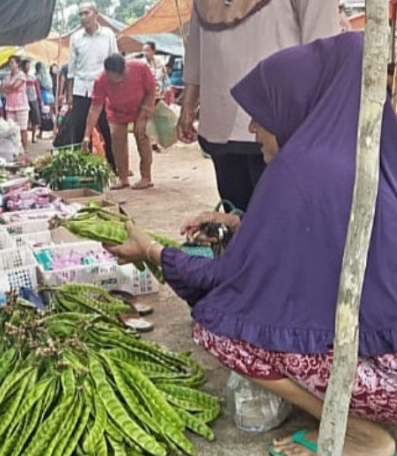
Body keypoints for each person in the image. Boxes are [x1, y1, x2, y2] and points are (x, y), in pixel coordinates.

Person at [107, 33, 397, 456]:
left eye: (262, 114)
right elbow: (330, 244)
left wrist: (152, 250)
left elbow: (228, 277)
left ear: (295, 106)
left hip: (383, 379)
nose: (254, 127)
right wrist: (240, 224)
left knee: (218, 326)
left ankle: (356, 433)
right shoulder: (367, 151)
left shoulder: (300, 170)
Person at [177, 0, 339, 213]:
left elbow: (323, 43)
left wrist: (316, 125)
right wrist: (188, 101)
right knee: (235, 221)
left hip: (279, 128)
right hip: (219, 120)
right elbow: (196, 39)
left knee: (279, 225)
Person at [82, 54, 155, 190]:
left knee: (142, 136)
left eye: (121, 77)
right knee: (117, 139)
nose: (118, 81)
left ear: (125, 68)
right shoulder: (101, 80)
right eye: (114, 78)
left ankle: (146, 177)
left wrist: (143, 116)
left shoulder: (140, 68)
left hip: (140, 108)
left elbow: (151, 92)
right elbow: (95, 108)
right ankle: (123, 178)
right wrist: (87, 135)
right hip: (116, 112)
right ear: (107, 73)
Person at [67, 2, 117, 170]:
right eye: (80, 14)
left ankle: (114, 166)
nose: (83, 17)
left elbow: (114, 62)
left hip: (103, 90)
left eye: (86, 13)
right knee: (79, 131)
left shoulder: (108, 35)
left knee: (107, 129)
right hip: (81, 90)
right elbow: (71, 69)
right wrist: (68, 96)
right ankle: (82, 167)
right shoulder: (75, 38)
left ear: (96, 14)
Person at [1, 55, 30, 152]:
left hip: (21, 105)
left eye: (12, 62)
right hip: (10, 105)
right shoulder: (7, 76)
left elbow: (15, 87)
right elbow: (1, 89)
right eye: (9, 63)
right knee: (11, 128)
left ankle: (25, 148)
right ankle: (14, 149)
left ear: (17, 64)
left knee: (22, 128)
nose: (10, 65)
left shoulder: (21, 75)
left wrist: (7, 88)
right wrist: (8, 88)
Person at [141, 41, 166, 153]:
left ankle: (156, 141)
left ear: (153, 51)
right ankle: (150, 142)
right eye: (144, 50)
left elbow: (163, 76)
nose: (145, 53)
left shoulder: (159, 62)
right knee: (147, 117)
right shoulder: (141, 64)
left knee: (155, 117)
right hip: (145, 95)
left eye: (147, 50)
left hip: (158, 94)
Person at [21, 59, 43, 143]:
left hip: (33, 99)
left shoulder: (33, 78)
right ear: (22, 67)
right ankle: (24, 138)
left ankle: (33, 137)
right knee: (25, 121)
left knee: (35, 119)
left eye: (29, 65)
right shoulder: (21, 77)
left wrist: (40, 100)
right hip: (24, 101)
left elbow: (37, 89)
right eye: (26, 65)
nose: (28, 67)